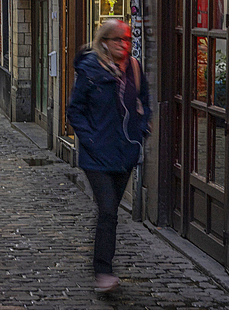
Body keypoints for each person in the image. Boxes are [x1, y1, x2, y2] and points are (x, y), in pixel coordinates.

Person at [67, 19, 151, 294]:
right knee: (107, 210)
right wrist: (91, 140)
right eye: (118, 40)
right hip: (97, 155)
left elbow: (145, 102)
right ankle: (102, 269)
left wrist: (142, 130)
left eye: (127, 40)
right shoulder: (90, 70)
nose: (124, 45)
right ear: (104, 41)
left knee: (112, 211)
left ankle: (104, 264)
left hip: (125, 153)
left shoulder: (135, 69)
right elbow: (75, 110)